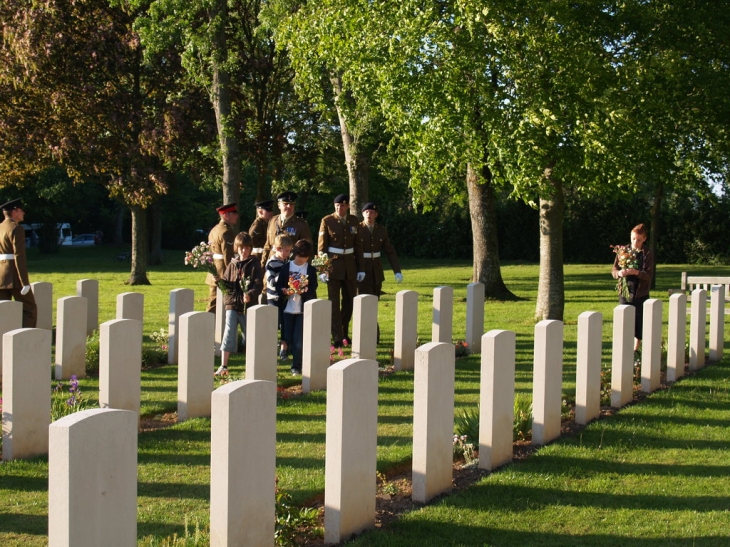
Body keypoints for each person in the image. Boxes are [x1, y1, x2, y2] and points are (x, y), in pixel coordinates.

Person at [318, 194, 365, 347]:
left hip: (350, 266)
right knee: (334, 302)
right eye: (337, 206)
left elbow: (358, 246)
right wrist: (323, 269)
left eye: (343, 206)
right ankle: (337, 337)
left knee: (350, 301)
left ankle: (344, 332)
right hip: (333, 266)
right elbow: (322, 247)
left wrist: (361, 268)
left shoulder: (353, 221)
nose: (340, 208)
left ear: (348, 206)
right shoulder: (327, 221)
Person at [215, 232, 263, 376]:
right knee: (228, 333)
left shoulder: (254, 264)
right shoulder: (232, 264)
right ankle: (223, 365)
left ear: (250, 248)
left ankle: (254, 364)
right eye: (241, 247)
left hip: (248, 306)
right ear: (237, 248)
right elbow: (227, 286)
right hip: (232, 305)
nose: (244, 250)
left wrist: (250, 295)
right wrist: (219, 281)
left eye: (247, 248)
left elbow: (258, 284)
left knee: (249, 334)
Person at [274, 239, 318, 375]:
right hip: (287, 309)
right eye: (299, 256)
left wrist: (304, 291)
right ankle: (292, 356)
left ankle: (296, 366)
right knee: (288, 338)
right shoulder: (286, 267)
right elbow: (279, 285)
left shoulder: (310, 270)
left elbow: (313, 287)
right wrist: (285, 291)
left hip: (302, 310)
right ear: (294, 254)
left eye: (304, 257)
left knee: (299, 340)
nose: (301, 259)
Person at [611, 223, 654, 353]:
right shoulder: (623, 251)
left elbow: (648, 275)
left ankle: (635, 349)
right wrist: (619, 273)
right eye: (633, 238)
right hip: (625, 290)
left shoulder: (647, 254)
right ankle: (624, 346)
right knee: (623, 318)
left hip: (640, 291)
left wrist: (636, 273)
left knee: (639, 321)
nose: (635, 242)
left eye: (639, 240)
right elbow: (614, 269)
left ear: (644, 239)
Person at [0, 199, 37, 328]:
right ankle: (26, 339)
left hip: (1, 275)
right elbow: (19, 256)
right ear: (15, 211)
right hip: (14, 275)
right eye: (21, 210)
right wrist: (24, 282)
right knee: (29, 309)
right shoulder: (17, 229)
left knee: (3, 310)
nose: (24, 213)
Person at [357, 202, 403, 297]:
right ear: (362, 214)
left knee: (375, 297)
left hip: (376, 271)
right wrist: (358, 269)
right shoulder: (357, 229)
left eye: (371, 212)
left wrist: (397, 270)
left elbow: (389, 251)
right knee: (364, 299)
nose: (368, 214)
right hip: (362, 269)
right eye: (366, 212)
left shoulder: (381, 230)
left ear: (376, 215)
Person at [261, 191, 312, 264]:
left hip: (291, 265)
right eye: (285, 204)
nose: (289, 206)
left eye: (291, 204)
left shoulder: (301, 225)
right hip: (272, 264)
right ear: (279, 205)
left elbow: (307, 249)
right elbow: (267, 246)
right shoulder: (272, 221)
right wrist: (262, 265)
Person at [206, 202, 239, 314]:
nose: (237, 216)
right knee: (220, 302)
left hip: (214, 268)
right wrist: (234, 272)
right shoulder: (227, 232)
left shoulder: (215, 229)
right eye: (234, 213)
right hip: (223, 271)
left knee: (213, 300)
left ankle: (209, 325)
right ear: (226, 215)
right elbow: (228, 256)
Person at [265, 234, 293, 360]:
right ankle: (269, 348)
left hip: (285, 297)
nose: (288, 253)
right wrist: (282, 276)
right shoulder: (271, 263)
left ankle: (284, 350)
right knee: (274, 324)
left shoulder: (287, 262)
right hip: (274, 298)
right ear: (278, 249)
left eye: (289, 251)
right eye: (286, 251)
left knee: (285, 324)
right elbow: (270, 281)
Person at [249, 199, 274, 266]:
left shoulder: (266, 223)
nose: (271, 213)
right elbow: (252, 240)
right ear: (260, 212)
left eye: (271, 210)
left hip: (263, 255)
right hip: (258, 256)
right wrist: (267, 242)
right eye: (268, 211)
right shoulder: (257, 224)